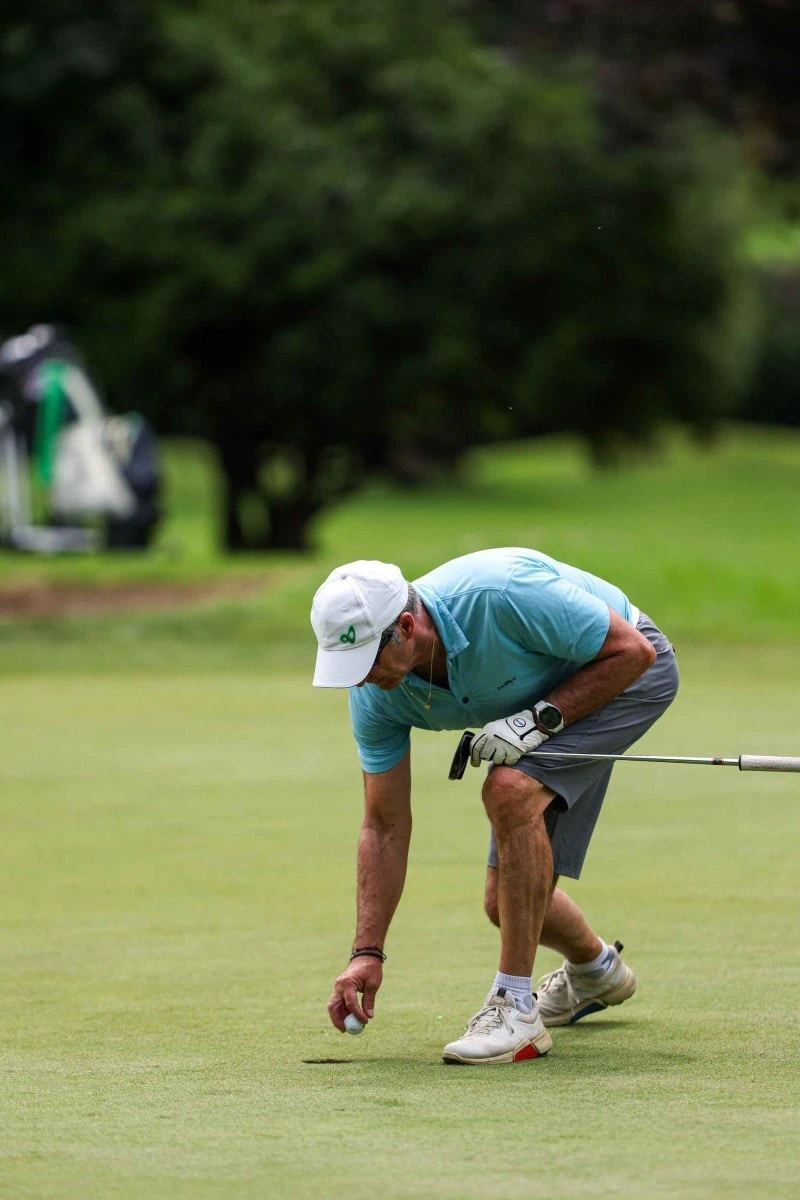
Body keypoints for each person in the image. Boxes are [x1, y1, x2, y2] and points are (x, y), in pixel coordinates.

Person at [310, 548, 679, 1065]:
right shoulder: (376, 694)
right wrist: (366, 953)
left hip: (625, 666)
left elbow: (633, 652)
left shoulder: (498, 595)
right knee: (504, 905)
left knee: (508, 788)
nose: (360, 678)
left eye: (367, 659)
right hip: (551, 687)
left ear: (408, 626)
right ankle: (596, 972)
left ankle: (515, 1011)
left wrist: (537, 721)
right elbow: (384, 825)